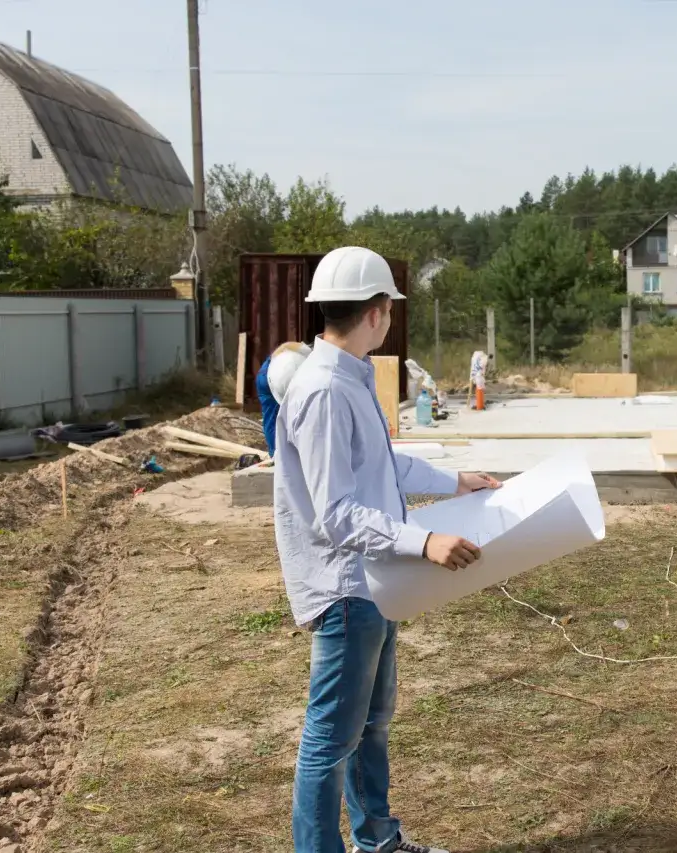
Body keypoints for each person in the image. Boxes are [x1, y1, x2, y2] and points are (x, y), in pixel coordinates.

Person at [275, 246, 500, 853]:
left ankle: (378, 840)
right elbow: (336, 514)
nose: (390, 318)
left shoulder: (348, 377)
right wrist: (424, 541)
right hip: (347, 588)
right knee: (330, 739)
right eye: (390, 309)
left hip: (375, 582)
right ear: (377, 311)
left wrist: (456, 482)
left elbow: (382, 464)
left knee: (370, 726)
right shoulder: (324, 390)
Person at [258, 342, 313, 456]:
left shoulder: (300, 354)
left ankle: (276, 454)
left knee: (271, 419)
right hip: (272, 375)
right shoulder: (310, 355)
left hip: (267, 373)